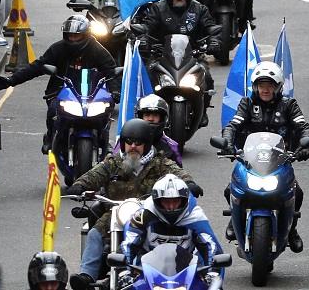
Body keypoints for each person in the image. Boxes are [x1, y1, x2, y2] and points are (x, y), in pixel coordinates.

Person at [63, 119, 198, 290]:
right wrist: (79, 186)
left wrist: (189, 183)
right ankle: (87, 275)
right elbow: (93, 175)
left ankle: (122, 277)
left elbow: (178, 173)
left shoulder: (159, 163)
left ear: (147, 144)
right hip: (116, 213)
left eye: (138, 143)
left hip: (150, 215)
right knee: (95, 233)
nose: (133, 146)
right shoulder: (112, 162)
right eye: (129, 142)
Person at [220, 61, 309, 251]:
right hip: (250, 160)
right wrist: (228, 143)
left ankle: (292, 229)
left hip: (281, 160)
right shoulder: (247, 103)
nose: (265, 89)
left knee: (298, 193)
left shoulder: (289, 105)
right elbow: (232, 126)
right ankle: (234, 218)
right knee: (229, 190)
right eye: (261, 85)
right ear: (255, 87)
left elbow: (304, 127)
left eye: (270, 85)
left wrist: (306, 146)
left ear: (278, 87)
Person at [0, 15, 118, 154]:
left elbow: (111, 72)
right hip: (61, 92)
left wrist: (115, 91)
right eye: (70, 36)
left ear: (86, 35)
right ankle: (51, 136)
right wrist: (11, 81)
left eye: (77, 36)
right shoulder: (58, 49)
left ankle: (105, 140)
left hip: (91, 94)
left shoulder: (98, 50)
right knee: (53, 110)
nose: (73, 39)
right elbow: (37, 67)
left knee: (105, 111)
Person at [139, 0, 222, 119]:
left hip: (193, 56)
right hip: (161, 56)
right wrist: (143, 39)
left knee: (207, 77)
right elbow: (146, 27)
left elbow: (211, 28)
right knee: (146, 76)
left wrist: (214, 41)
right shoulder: (158, 9)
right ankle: (145, 111)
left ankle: (202, 111)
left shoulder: (200, 10)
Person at [121, 174, 221, 267]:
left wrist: (212, 273)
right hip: (146, 272)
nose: (171, 207)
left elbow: (211, 247)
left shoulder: (195, 216)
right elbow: (129, 244)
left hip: (187, 272)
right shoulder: (144, 215)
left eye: (175, 201)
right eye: (166, 202)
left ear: (184, 200)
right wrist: (124, 271)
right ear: (157, 201)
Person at [112, 94, 181, 165]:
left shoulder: (171, 146)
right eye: (147, 115)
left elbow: (179, 173)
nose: (151, 119)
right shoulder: (126, 139)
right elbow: (113, 164)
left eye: (155, 115)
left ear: (162, 118)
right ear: (139, 117)